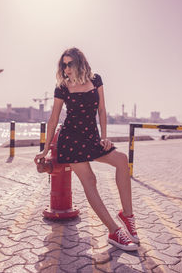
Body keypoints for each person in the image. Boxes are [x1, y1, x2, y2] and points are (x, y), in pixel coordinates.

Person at [34, 47, 139, 251]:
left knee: (121, 160)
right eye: (63, 65)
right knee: (90, 180)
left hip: (92, 137)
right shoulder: (62, 87)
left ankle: (127, 216)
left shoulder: (95, 79)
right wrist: (45, 149)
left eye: (69, 64)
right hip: (71, 140)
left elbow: (101, 110)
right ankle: (114, 231)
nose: (66, 68)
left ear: (79, 63)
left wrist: (104, 137)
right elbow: (54, 118)